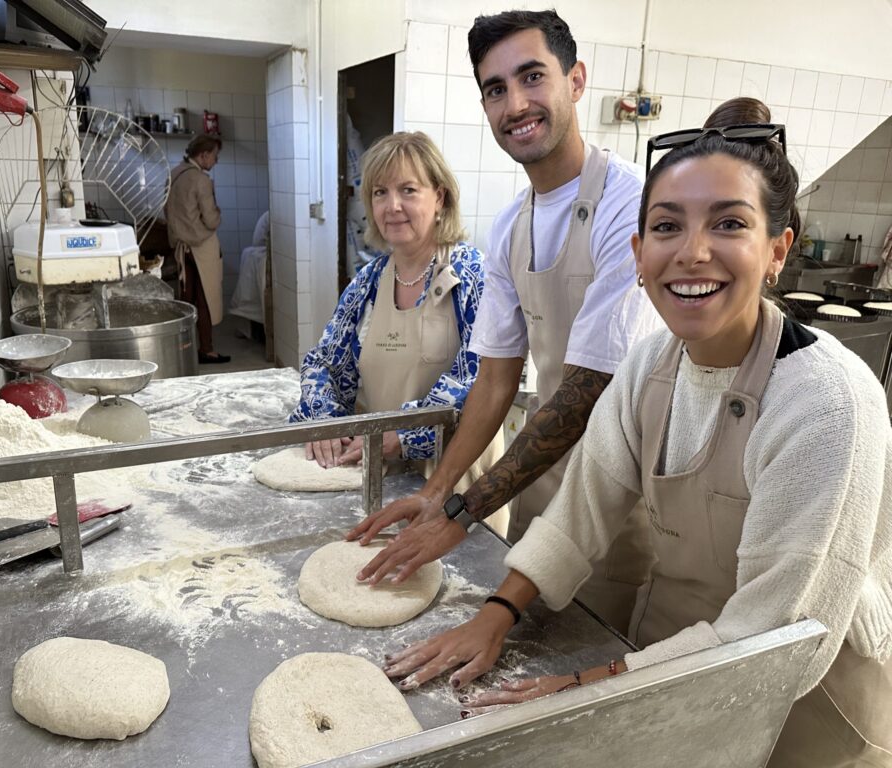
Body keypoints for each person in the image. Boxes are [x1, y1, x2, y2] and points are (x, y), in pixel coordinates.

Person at [382, 97, 892, 767]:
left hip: (804, 706)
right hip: (670, 657)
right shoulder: (650, 366)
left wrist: (585, 689)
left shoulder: (825, 398)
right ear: (638, 252)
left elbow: (771, 639)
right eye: (667, 226)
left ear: (777, 249)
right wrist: (496, 612)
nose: (693, 252)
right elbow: (579, 516)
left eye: (729, 223)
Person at [349, 9, 662, 631]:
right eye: (496, 89)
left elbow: (588, 389)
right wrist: (437, 492)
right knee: (525, 645)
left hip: (621, 491)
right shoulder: (512, 226)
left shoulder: (632, 203)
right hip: (538, 484)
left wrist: (462, 513)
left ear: (575, 80)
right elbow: (494, 379)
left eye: (531, 77)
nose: (515, 103)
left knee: (587, 654)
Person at [289, 132, 503, 520]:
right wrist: (324, 418)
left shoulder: (472, 275)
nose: (392, 206)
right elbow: (324, 361)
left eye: (408, 190)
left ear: (439, 197)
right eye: (379, 192)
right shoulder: (367, 282)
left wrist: (405, 435)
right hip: (385, 480)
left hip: (457, 490)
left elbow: (480, 376)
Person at [166, 133, 230, 364]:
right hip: (201, 247)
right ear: (203, 155)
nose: (216, 161)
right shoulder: (200, 180)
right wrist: (218, 213)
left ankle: (184, 349)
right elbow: (211, 220)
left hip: (181, 247)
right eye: (214, 155)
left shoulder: (174, 174)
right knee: (206, 299)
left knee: (186, 300)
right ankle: (207, 349)